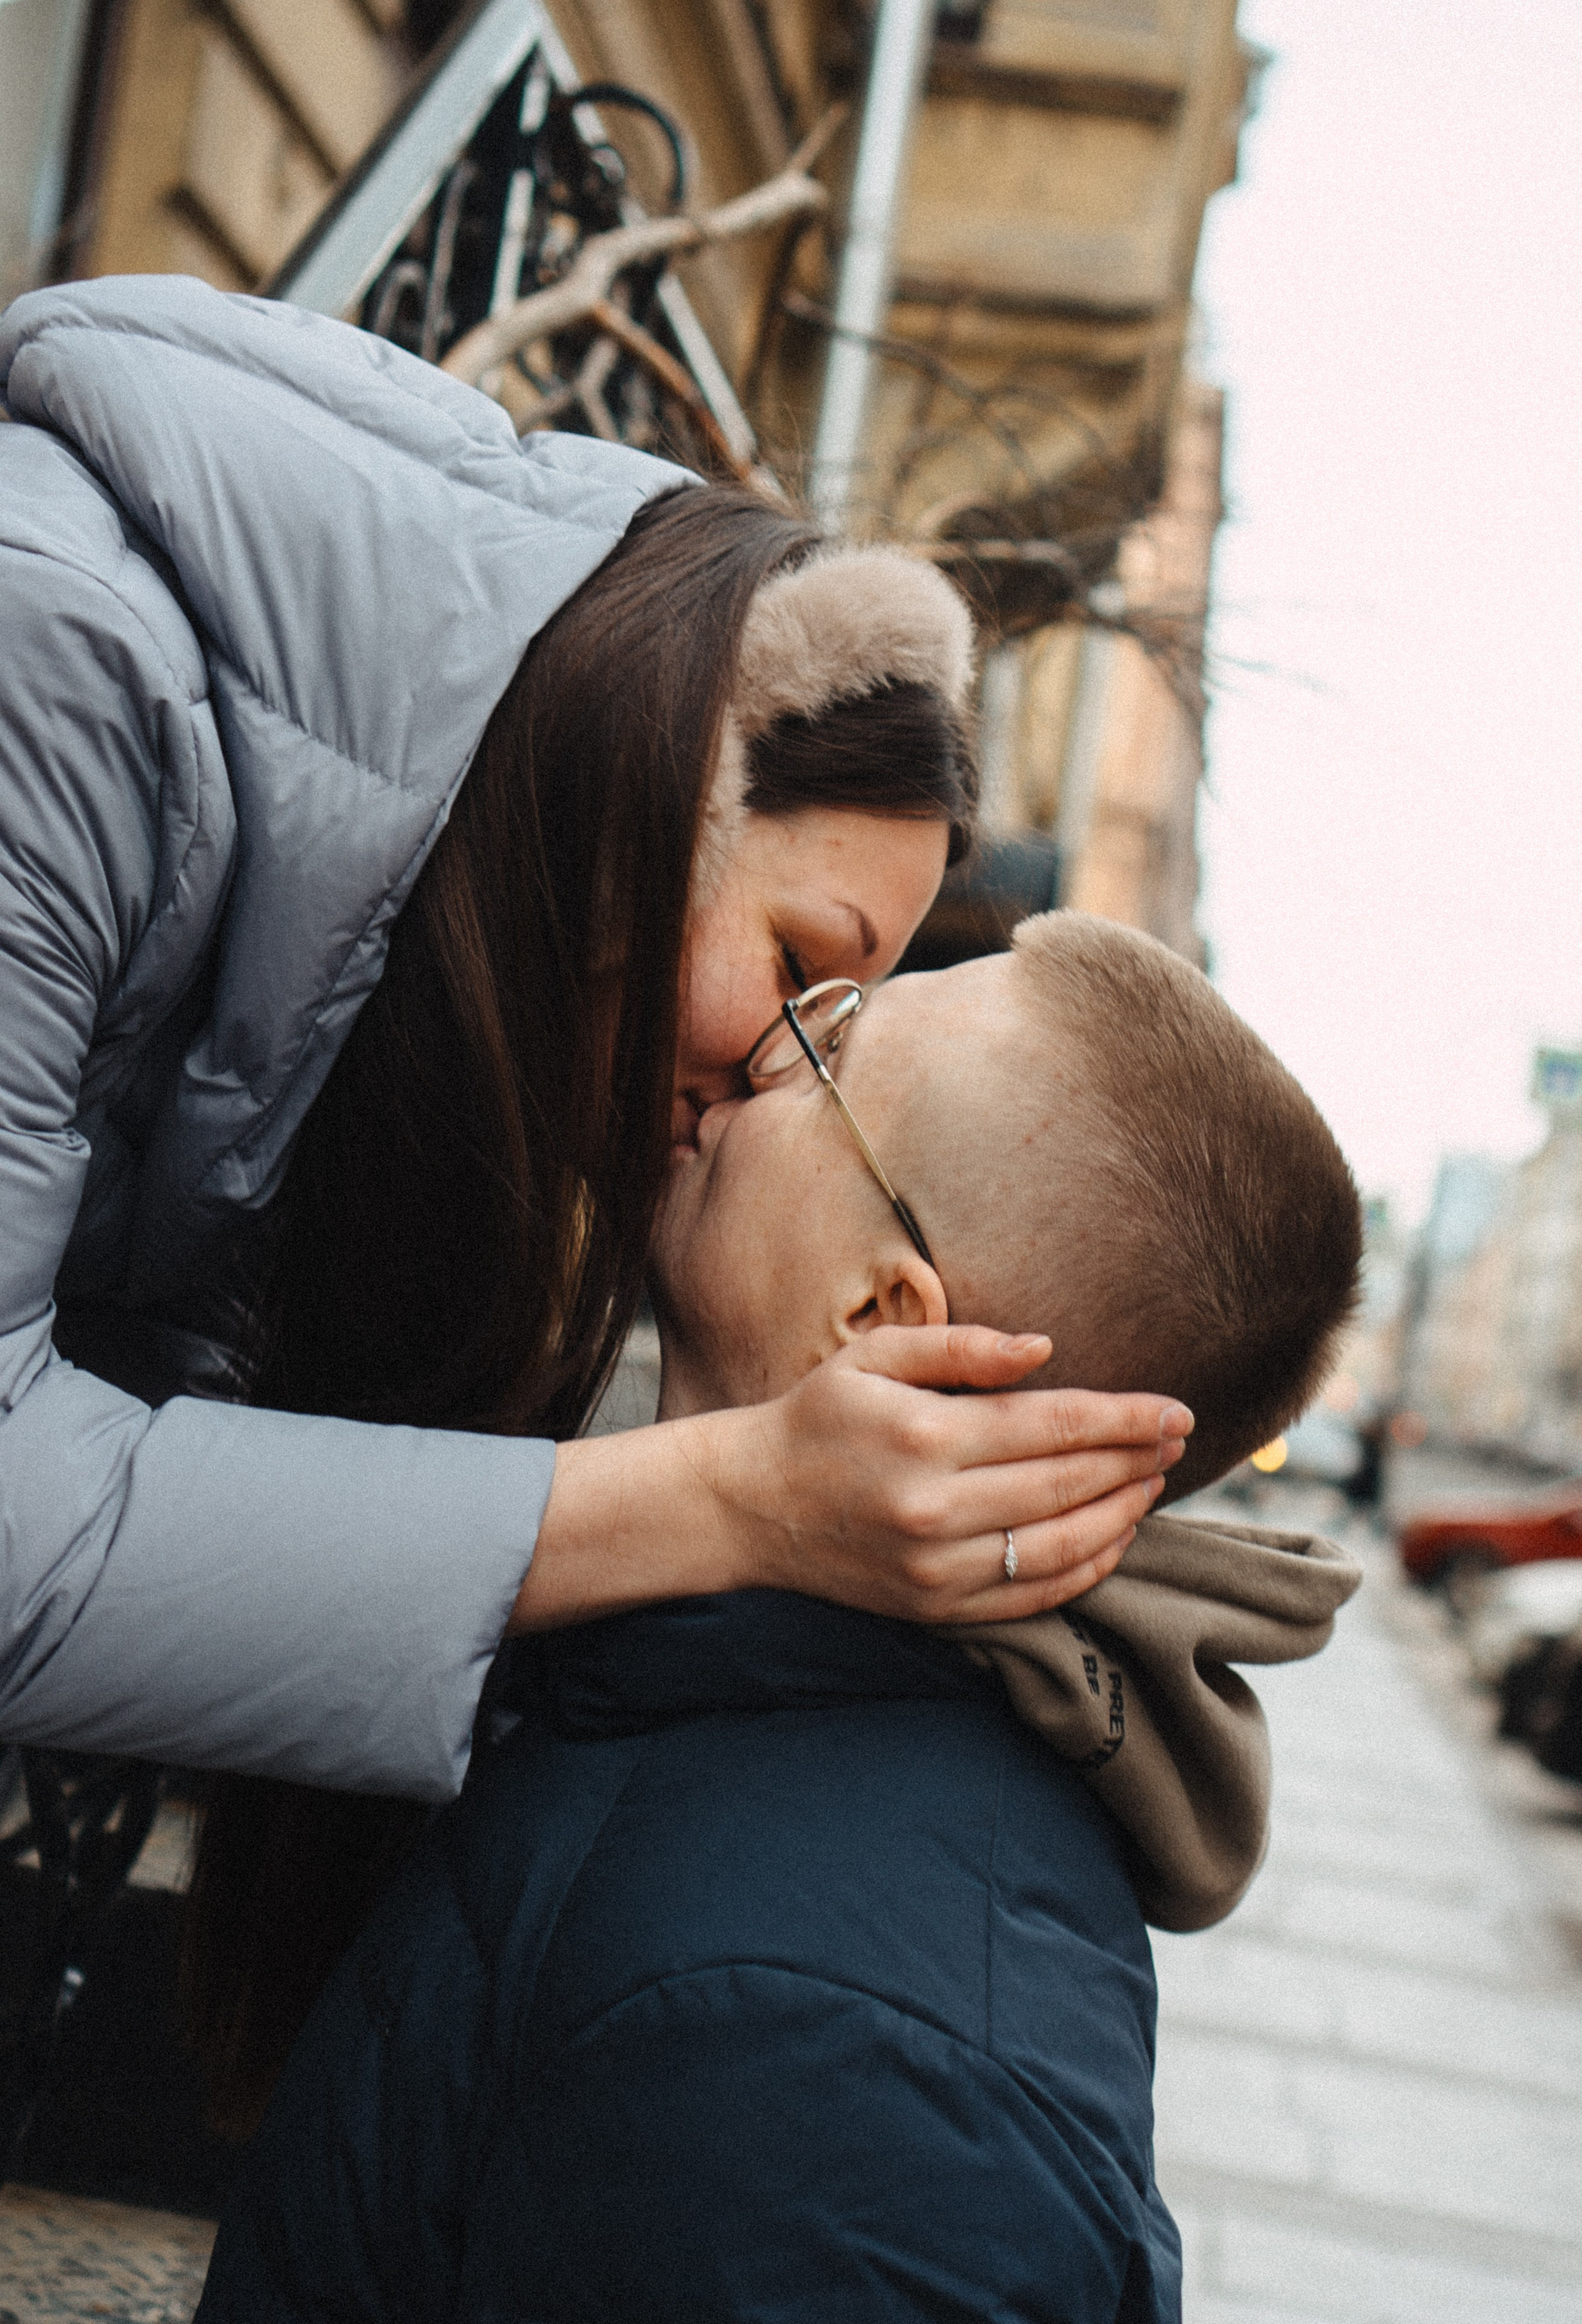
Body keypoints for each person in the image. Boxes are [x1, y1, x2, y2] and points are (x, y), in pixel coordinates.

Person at [0, 276, 1188, 1815]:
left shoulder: (361, 984)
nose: (778, 1073)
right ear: (668, 774)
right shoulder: (59, 678)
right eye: (798, 968)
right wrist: (732, 1500)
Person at [195, 913, 1362, 2324]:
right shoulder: (730, 1709)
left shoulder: (832, 2052)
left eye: (828, 1051)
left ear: (881, 1315)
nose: (758, 1052)